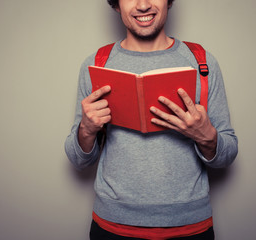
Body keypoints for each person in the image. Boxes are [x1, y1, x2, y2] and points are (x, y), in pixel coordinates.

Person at [65, 0, 238, 239]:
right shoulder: (96, 64)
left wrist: (205, 135)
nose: (143, 5)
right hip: (113, 225)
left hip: (190, 225)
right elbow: (77, 159)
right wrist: (86, 129)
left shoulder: (203, 63)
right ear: (116, 4)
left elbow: (228, 156)